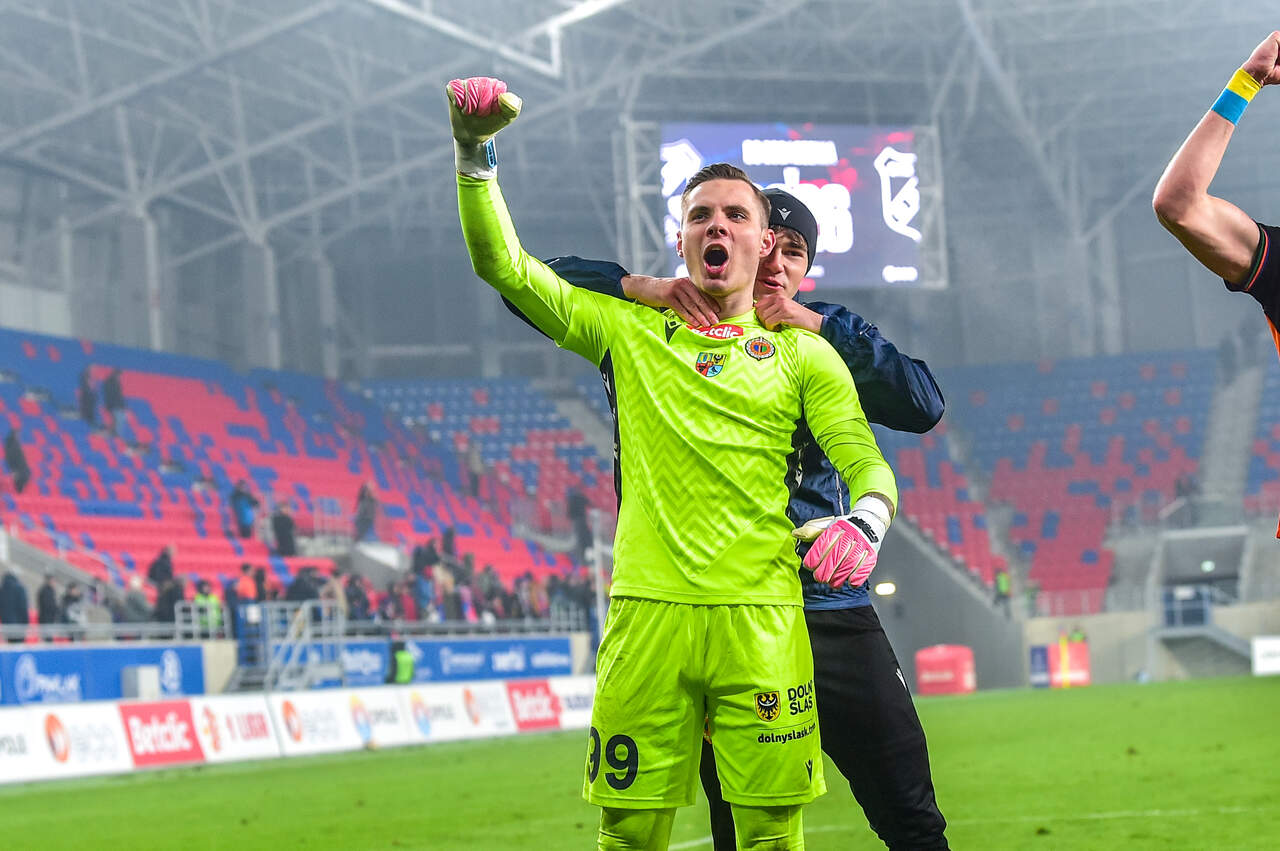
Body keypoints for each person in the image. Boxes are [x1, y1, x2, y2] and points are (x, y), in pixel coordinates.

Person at [448, 77, 897, 849]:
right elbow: (508, 270)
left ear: (764, 243)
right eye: (700, 215)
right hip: (646, 618)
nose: (716, 224)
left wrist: (867, 520)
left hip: (763, 621)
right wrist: (472, 153)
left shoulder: (804, 355)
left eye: (736, 215)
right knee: (627, 834)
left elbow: (865, 458)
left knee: (770, 835)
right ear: (682, 239)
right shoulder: (625, 331)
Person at [526, 188, 949, 849]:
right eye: (771, 245)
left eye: (795, 252)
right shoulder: (662, 326)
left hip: (828, 608)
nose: (778, 264)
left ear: (805, 266)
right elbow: (527, 280)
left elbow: (922, 403)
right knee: (739, 828)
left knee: (910, 811)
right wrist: (640, 286)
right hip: (719, 612)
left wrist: (816, 326)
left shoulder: (823, 335)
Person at [0, 569, 30, 643]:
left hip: (6, 626)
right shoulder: (20, 588)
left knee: (11, 646)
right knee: (19, 646)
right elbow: (23, 608)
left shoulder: (2, 590)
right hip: (19, 626)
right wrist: (26, 623)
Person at [4, 429, 30, 494]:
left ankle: (19, 492)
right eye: (17, 435)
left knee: (25, 476)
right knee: (20, 479)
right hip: (16, 467)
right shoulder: (12, 445)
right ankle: (18, 492)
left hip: (20, 466)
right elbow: (10, 458)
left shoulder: (15, 444)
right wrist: (13, 470)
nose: (18, 436)